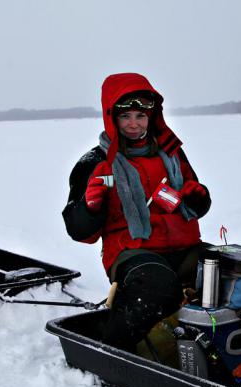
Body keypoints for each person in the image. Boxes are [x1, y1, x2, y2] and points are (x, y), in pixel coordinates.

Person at [62, 73, 211, 353]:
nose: (133, 124)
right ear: (112, 117)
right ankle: (113, 351)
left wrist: (199, 197)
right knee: (156, 287)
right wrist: (91, 206)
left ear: (152, 117)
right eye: (125, 116)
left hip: (184, 246)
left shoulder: (173, 154)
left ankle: (204, 345)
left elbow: (197, 207)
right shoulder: (95, 162)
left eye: (140, 116)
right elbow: (78, 229)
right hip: (132, 251)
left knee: (229, 270)